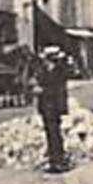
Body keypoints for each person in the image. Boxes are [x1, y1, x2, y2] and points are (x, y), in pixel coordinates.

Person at [35, 45, 70, 173]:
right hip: (46, 107)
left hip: (53, 106)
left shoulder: (59, 71)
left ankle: (58, 160)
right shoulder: (44, 70)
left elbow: (57, 90)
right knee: (50, 134)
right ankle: (54, 160)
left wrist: (42, 90)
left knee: (55, 133)